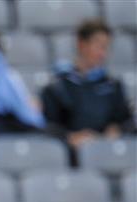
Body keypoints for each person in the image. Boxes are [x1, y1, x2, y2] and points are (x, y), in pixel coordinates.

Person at [42, 19, 135, 153]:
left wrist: (116, 130)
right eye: (99, 46)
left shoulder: (113, 86)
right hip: (71, 154)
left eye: (106, 47)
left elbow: (127, 122)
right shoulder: (57, 86)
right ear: (81, 44)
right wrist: (69, 137)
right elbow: (48, 126)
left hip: (107, 150)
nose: (103, 54)